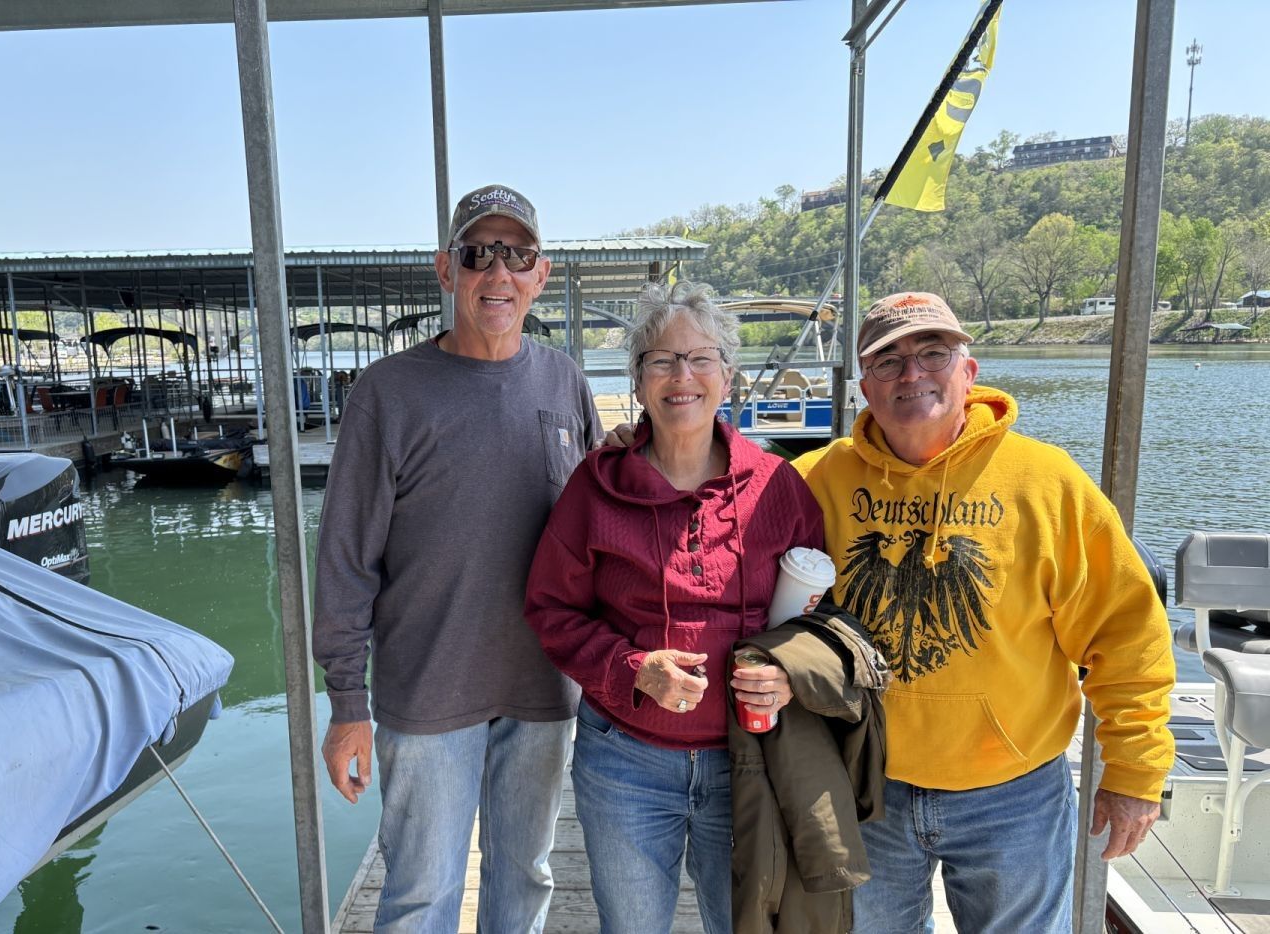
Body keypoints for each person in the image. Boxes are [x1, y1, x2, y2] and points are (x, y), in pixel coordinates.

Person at [791, 291, 1176, 933]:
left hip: (1015, 793)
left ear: (969, 372)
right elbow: (724, 500)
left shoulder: (1048, 483)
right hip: (865, 787)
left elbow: (1128, 632)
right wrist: (649, 444)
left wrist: (1135, 771)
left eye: (933, 353)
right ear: (864, 386)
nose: (912, 373)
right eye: (888, 361)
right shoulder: (816, 479)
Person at [312, 183, 601, 933]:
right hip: (426, 695)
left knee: (527, 878)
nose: (497, 273)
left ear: (541, 275)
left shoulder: (566, 381)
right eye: (479, 253)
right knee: (419, 895)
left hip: (544, 692)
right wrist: (348, 704)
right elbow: (346, 559)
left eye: (517, 255)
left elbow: (605, 525)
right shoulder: (387, 392)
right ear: (447, 270)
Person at [523, 281, 825, 934]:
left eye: (699, 358)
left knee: (743, 925)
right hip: (625, 763)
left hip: (749, 759)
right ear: (637, 381)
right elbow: (551, 609)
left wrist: (791, 670)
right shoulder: (596, 487)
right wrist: (632, 666)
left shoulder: (780, 488)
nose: (681, 376)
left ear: (727, 374)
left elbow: (826, 621)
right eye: (661, 360)